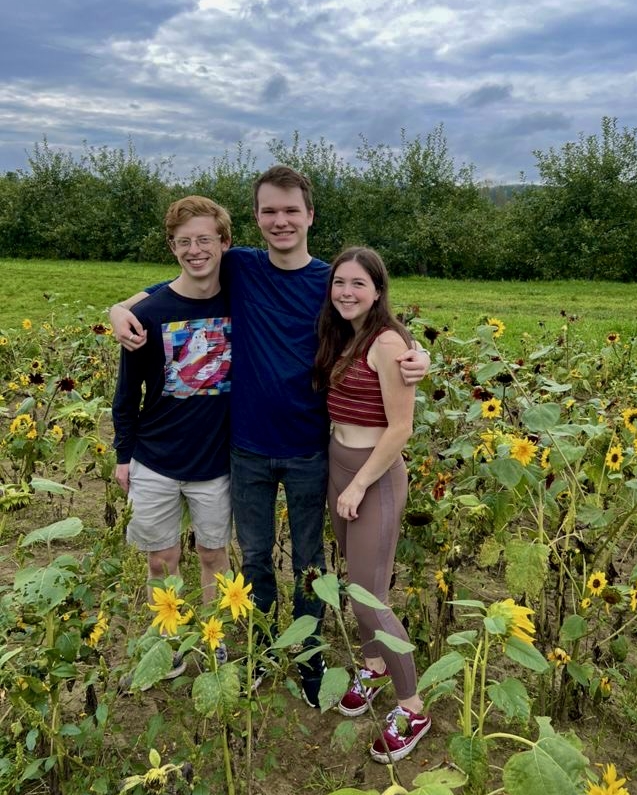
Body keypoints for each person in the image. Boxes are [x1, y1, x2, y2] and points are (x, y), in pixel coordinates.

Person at [110, 166, 429, 706]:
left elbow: (377, 324)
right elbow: (179, 280)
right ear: (256, 219)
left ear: (309, 215)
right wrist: (120, 308)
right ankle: (259, 650)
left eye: (290, 210)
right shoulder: (240, 265)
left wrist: (419, 353)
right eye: (269, 211)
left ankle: (308, 660)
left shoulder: (331, 284)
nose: (280, 221)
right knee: (255, 558)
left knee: (309, 563)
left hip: (309, 450)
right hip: (247, 450)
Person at [314, 246, 430, 763]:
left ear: (378, 290)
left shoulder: (388, 343)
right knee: (359, 581)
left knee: (368, 596)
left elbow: (400, 428)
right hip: (341, 467)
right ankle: (375, 667)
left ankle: (413, 704)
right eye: (339, 282)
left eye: (358, 284)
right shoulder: (345, 334)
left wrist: (359, 485)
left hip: (372, 477)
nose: (346, 292)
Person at [112, 196, 233, 676]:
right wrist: (124, 455)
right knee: (161, 559)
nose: (195, 250)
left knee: (212, 553)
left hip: (216, 461)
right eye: (184, 242)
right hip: (156, 457)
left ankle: (213, 637)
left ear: (224, 242)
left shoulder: (240, 298)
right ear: (172, 247)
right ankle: (172, 640)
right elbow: (127, 393)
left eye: (204, 239)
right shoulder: (152, 311)